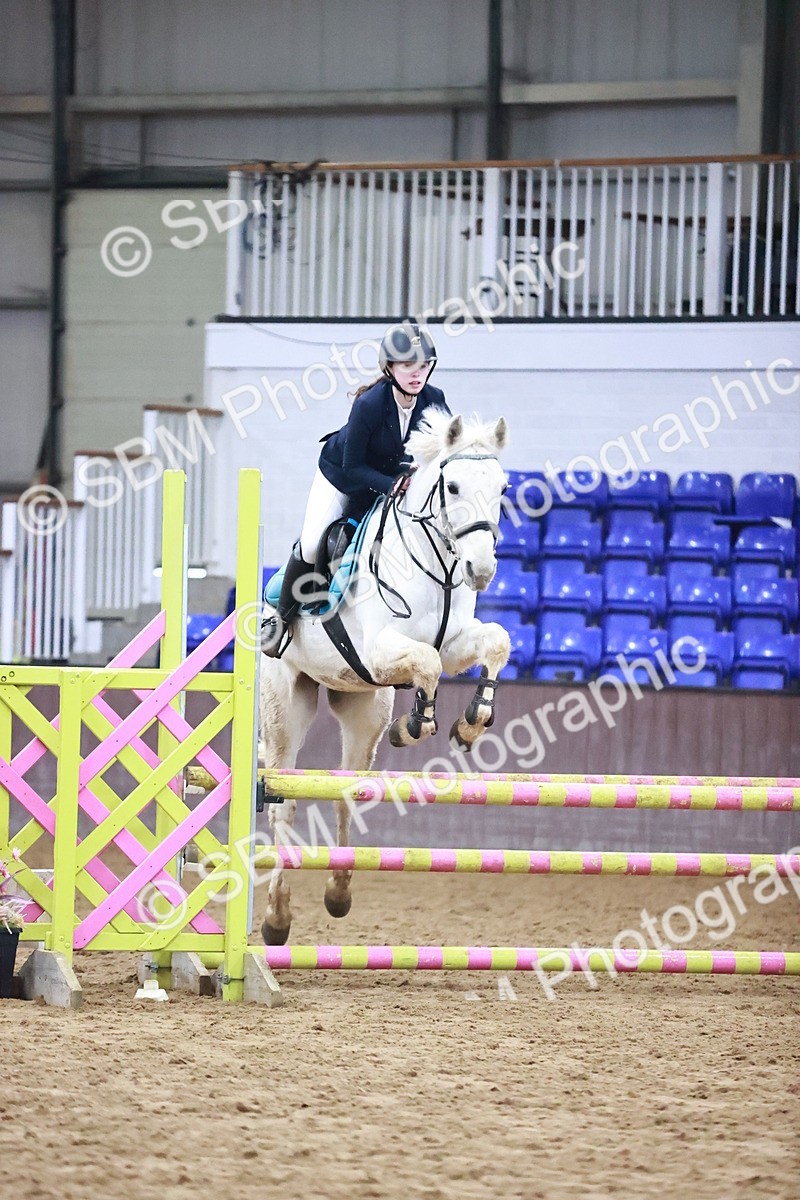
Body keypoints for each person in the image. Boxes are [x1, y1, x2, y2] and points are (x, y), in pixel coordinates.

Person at [261, 320, 451, 656]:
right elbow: (353, 466)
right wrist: (394, 483)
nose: (416, 373)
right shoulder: (370, 405)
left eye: (423, 366)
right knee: (312, 542)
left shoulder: (435, 401)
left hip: (393, 483)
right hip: (344, 477)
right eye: (408, 366)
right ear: (389, 367)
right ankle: (279, 620)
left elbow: (445, 454)